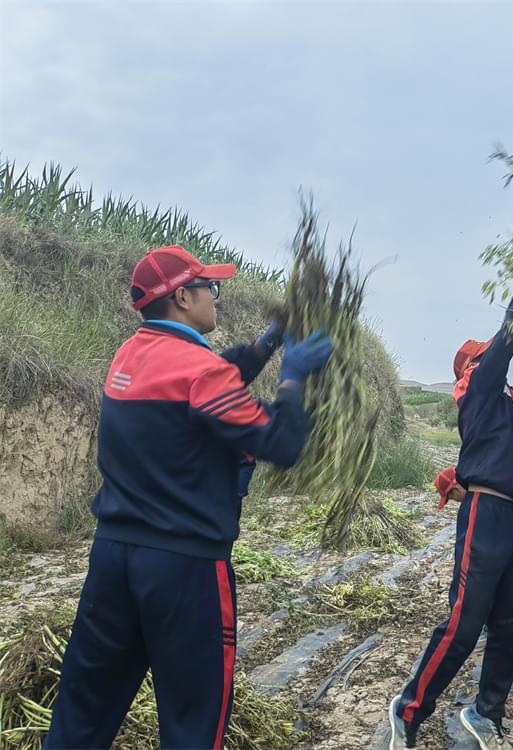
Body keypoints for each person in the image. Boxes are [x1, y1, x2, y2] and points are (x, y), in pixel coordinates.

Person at [45, 245, 332, 750]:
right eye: (210, 288)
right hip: (185, 571)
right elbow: (282, 444)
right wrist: (292, 378)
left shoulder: (129, 357)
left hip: (113, 561)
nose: (215, 297)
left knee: (83, 715)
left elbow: (200, 391)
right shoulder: (202, 372)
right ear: (182, 297)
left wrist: (265, 345)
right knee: (193, 723)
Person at [388, 283, 513, 750]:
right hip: (484, 514)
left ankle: (486, 712)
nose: (492, 360)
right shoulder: (474, 393)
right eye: (484, 358)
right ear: (471, 367)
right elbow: (506, 343)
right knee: (463, 624)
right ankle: (408, 709)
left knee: (512, 624)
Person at [434, 465, 513, 567]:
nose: (455, 501)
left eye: (451, 497)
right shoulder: (477, 476)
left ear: (456, 487)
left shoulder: (480, 486)